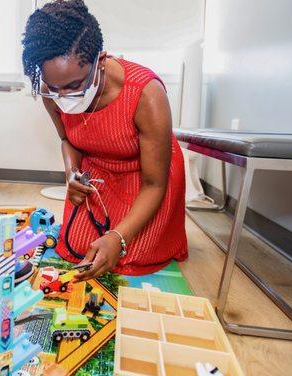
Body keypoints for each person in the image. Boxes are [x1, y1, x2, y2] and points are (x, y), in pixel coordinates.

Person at [21, 0, 188, 281]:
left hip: (146, 177)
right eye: (55, 88)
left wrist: (119, 237)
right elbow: (67, 139)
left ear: (100, 60)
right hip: (96, 175)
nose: (63, 98)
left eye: (74, 86)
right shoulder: (53, 88)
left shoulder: (146, 93)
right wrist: (72, 173)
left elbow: (154, 183)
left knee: (129, 256)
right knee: (76, 249)